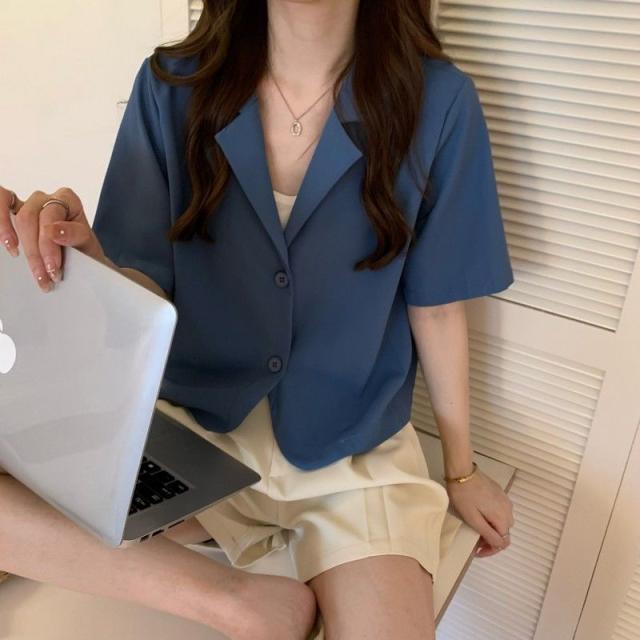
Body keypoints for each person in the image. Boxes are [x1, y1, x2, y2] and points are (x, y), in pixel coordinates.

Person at [0, 1, 516, 638]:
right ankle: (242, 604)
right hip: (195, 435)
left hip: (352, 458)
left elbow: (436, 305)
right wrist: (89, 263)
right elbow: (146, 287)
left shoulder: (439, 102)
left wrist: (461, 468)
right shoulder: (172, 86)